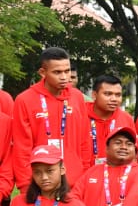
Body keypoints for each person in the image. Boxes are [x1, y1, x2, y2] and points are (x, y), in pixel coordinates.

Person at [12, 47, 93, 193]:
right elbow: (21, 148)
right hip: (40, 184)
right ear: (43, 73)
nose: (64, 77)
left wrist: (84, 176)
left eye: (67, 71)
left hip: (74, 183)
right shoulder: (25, 100)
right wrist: (26, 186)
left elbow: (84, 142)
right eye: (57, 72)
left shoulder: (77, 97)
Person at [87, 74, 130, 166]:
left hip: (115, 176)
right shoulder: (80, 115)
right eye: (108, 94)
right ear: (94, 95)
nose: (114, 99)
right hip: (84, 175)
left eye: (118, 95)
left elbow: (132, 153)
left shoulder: (126, 119)